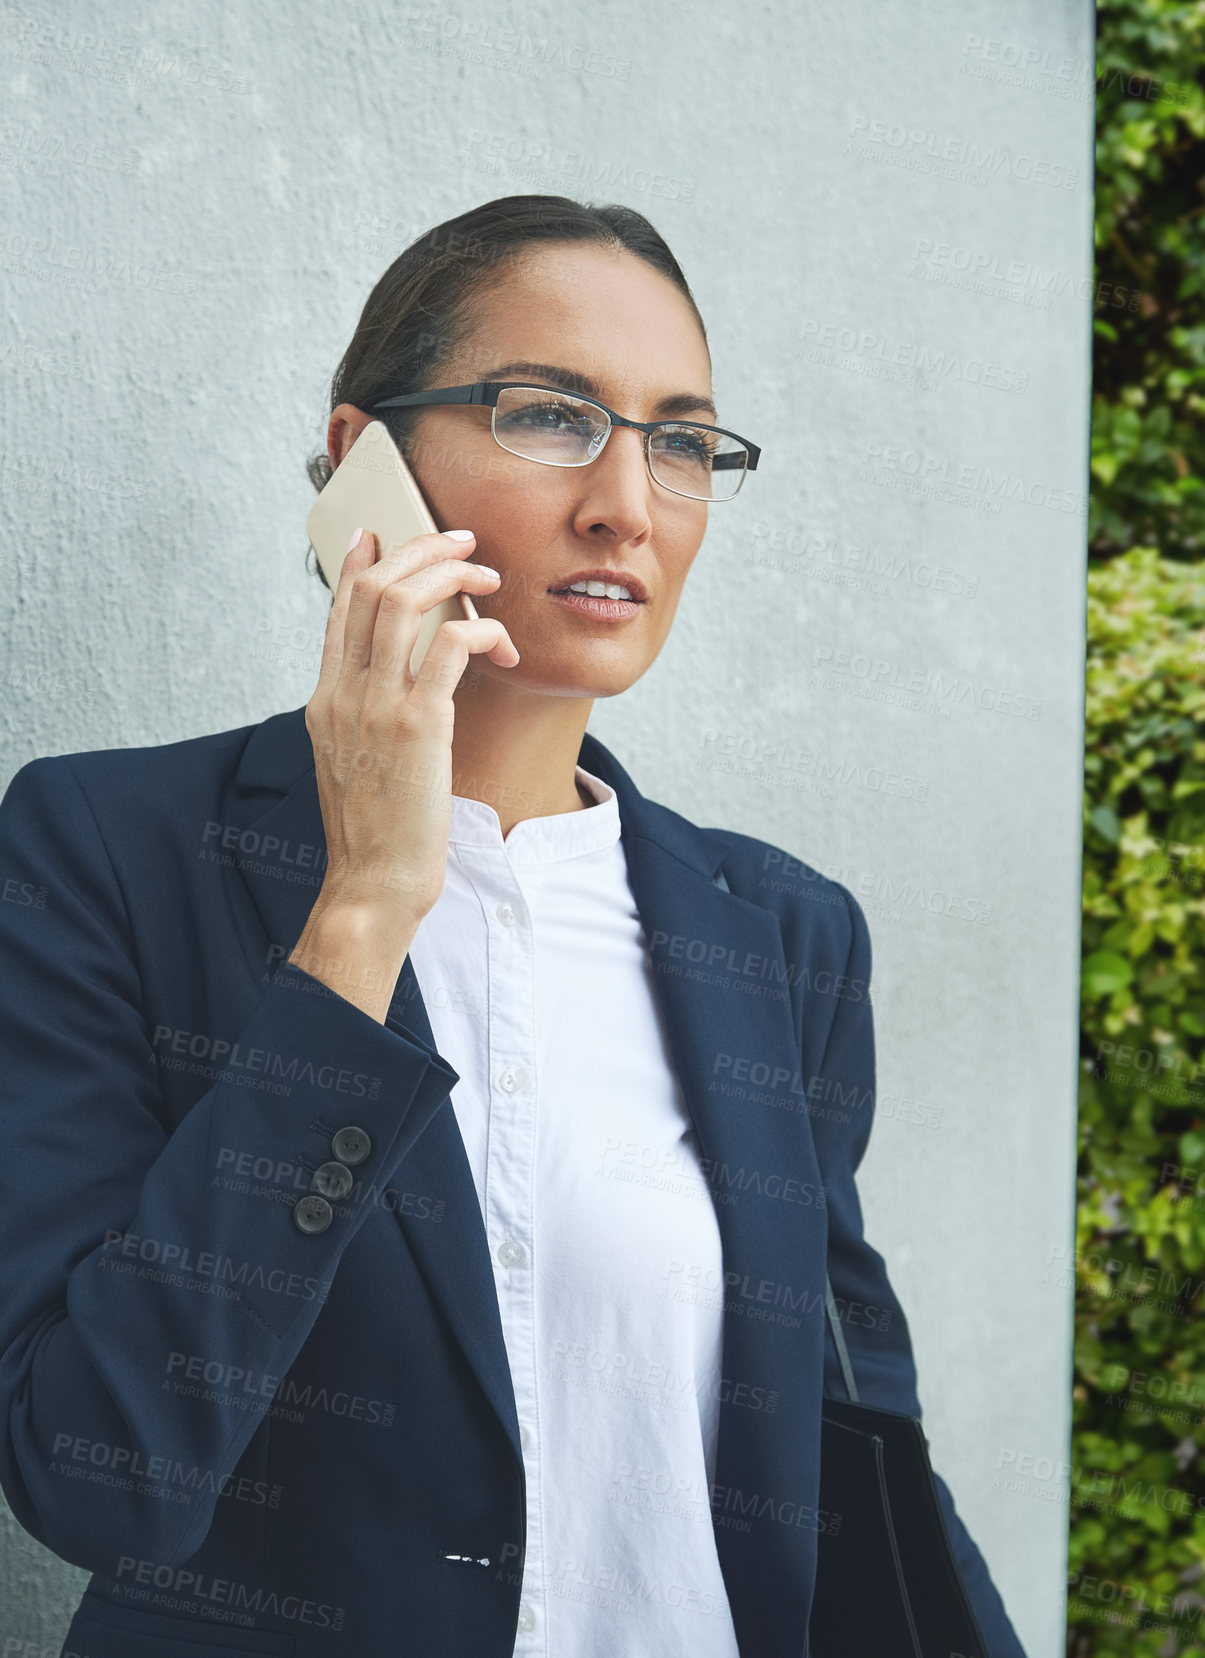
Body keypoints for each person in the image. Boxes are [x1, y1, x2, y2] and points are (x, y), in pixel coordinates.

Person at [0, 194, 1027, 1658]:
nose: (628, 501)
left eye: (681, 440)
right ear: (369, 463)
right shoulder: (107, 852)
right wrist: (360, 910)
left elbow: (855, 1455)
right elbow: (96, 1470)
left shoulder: (782, 937)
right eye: (550, 416)